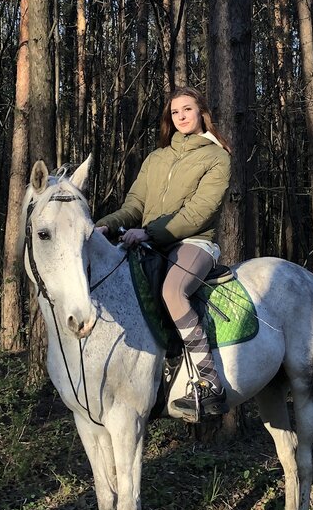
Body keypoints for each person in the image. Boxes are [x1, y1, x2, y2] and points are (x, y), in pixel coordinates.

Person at [95, 87, 232, 416]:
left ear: (201, 112)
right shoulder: (157, 158)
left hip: (194, 243)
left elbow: (198, 213)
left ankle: (209, 381)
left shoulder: (217, 157)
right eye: (175, 112)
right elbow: (135, 205)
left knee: (173, 291)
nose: (182, 116)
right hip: (148, 242)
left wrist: (150, 232)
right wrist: (105, 226)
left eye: (188, 109)